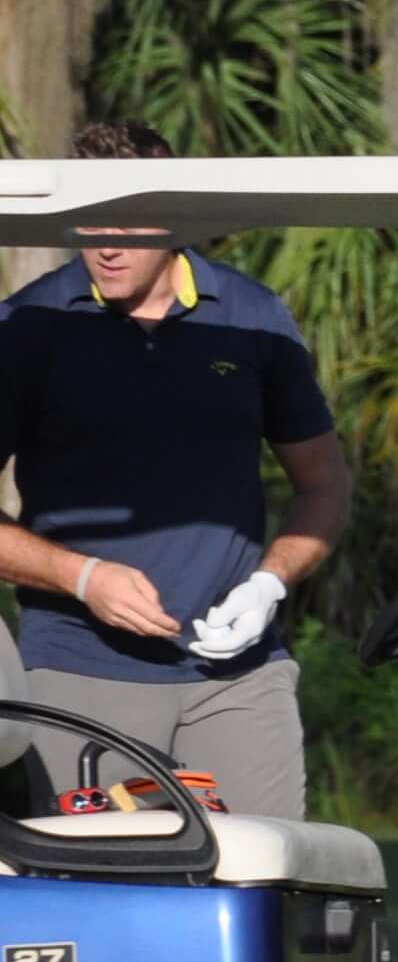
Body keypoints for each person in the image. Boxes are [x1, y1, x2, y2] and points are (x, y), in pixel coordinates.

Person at [0, 119, 350, 818]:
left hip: (239, 676)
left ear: (176, 218)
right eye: (92, 219)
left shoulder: (253, 317)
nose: (105, 242)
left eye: (128, 220)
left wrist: (269, 586)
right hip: (79, 670)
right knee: (104, 897)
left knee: (265, 876)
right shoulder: (27, 326)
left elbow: (325, 484)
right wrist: (83, 578)